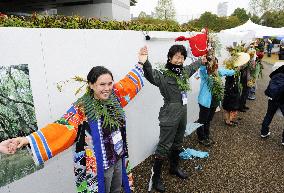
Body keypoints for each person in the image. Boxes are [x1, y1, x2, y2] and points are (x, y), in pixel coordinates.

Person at [6, 46, 148, 193]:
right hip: (99, 164)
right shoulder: (82, 108)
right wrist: (28, 139)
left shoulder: (115, 96)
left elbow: (129, 82)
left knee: (118, 189)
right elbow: (61, 127)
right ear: (91, 85)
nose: (107, 88)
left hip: (118, 156)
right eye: (102, 84)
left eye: (110, 83)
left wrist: (141, 63)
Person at [143, 44, 207, 192]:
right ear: (170, 58)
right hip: (170, 113)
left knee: (178, 141)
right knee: (164, 145)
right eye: (176, 57)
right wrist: (145, 62)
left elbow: (192, 67)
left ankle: (174, 167)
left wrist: (201, 61)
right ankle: (156, 178)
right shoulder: (164, 75)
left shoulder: (184, 72)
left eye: (182, 57)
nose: (179, 60)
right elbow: (151, 74)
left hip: (182, 112)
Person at [197, 56, 235, 146]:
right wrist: (203, 64)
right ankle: (201, 138)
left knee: (208, 120)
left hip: (214, 102)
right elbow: (202, 69)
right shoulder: (205, 74)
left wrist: (236, 69)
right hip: (205, 102)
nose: (215, 66)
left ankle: (206, 135)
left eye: (216, 64)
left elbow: (228, 72)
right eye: (212, 64)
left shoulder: (218, 72)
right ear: (208, 65)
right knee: (202, 120)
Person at [223, 52, 250, 126]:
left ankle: (229, 120)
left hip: (232, 89)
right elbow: (230, 79)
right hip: (230, 90)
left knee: (230, 106)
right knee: (229, 106)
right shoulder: (231, 70)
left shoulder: (235, 69)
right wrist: (236, 71)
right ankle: (228, 121)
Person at [260, 63, 284, 145]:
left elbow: (271, 76)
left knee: (269, 114)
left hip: (273, 97)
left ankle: (263, 132)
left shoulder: (280, 68)